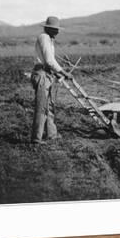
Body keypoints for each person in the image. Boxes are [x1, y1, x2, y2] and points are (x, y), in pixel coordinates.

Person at [30, 16, 73, 144]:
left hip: (47, 74)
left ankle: (52, 134)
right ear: (48, 28)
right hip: (42, 74)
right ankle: (36, 139)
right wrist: (63, 72)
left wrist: (58, 74)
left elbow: (50, 62)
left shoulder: (49, 39)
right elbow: (49, 61)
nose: (58, 32)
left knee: (50, 106)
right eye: (55, 29)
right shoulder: (44, 38)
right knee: (42, 106)